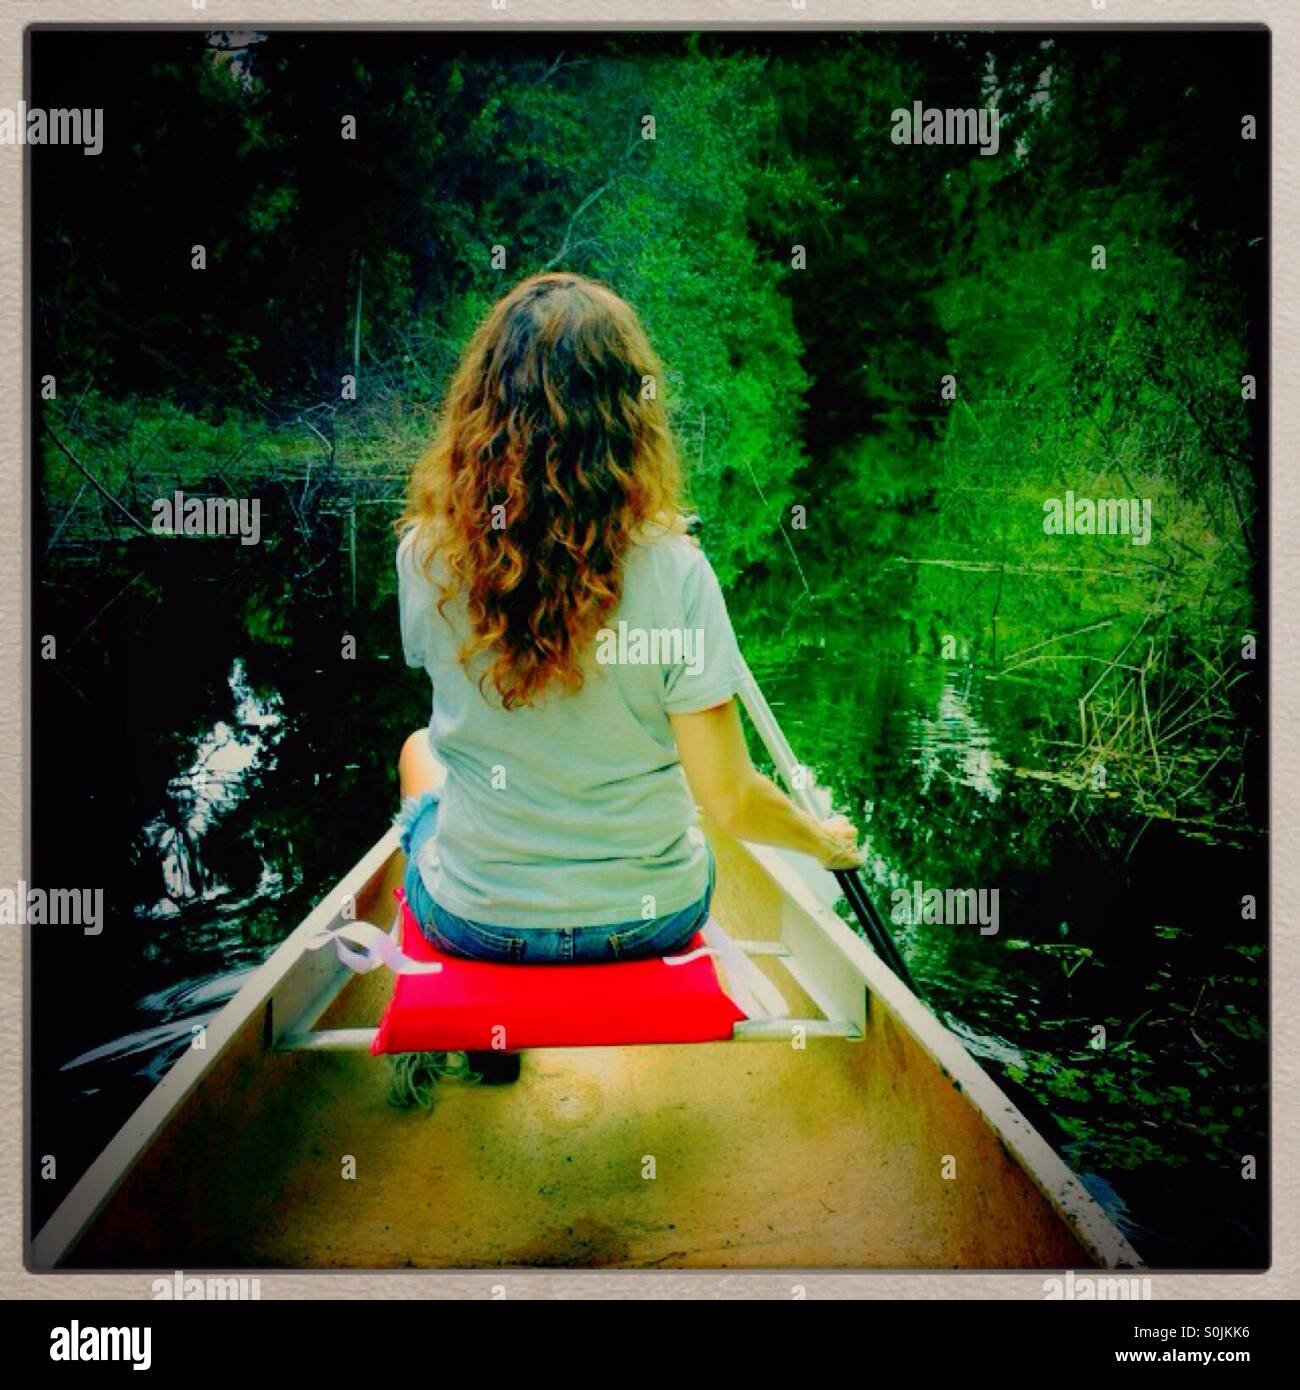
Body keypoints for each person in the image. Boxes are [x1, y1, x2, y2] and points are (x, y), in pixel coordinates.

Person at [394, 270, 863, 980]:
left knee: (418, 750)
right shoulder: (675, 568)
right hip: (652, 919)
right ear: (630, 414)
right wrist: (821, 842)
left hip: (478, 922)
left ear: (480, 405)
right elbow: (729, 802)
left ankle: (466, 1015)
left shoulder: (426, 555)